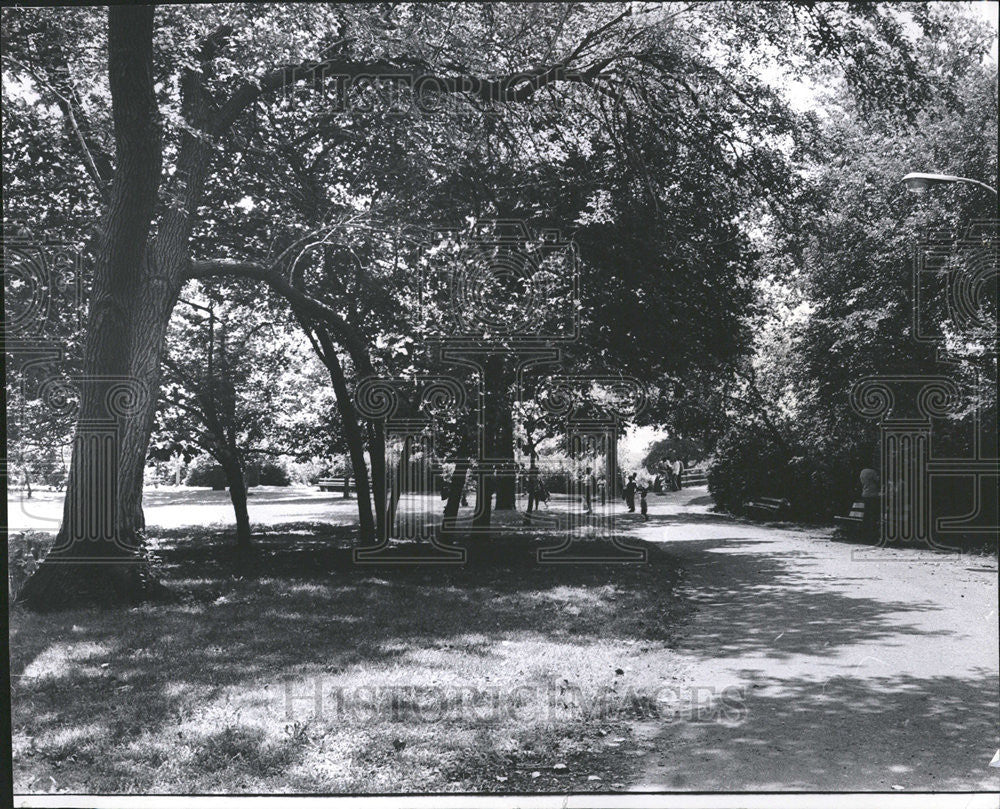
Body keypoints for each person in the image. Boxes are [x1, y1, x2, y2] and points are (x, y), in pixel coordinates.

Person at [860, 465, 881, 541]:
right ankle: (873, 534)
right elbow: (878, 481)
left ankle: (865, 534)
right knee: (874, 515)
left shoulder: (862, 471)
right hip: (873, 495)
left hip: (865, 494)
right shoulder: (872, 472)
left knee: (866, 515)